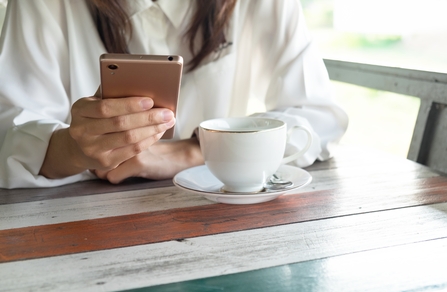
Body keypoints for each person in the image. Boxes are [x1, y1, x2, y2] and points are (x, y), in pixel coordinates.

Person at [0, 0, 348, 189]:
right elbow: (8, 133)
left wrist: (193, 151)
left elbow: (319, 116)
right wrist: (73, 149)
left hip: (216, 218)